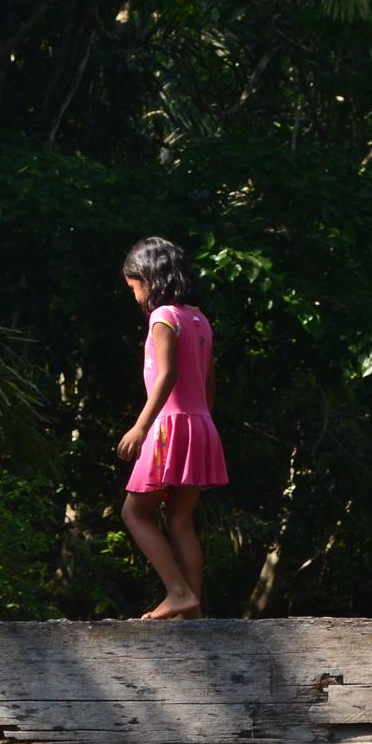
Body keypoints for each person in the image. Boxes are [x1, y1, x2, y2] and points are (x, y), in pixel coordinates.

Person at [117, 238, 228, 620]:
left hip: (168, 426)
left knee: (134, 514)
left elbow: (167, 375)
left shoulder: (163, 316)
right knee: (180, 520)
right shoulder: (199, 319)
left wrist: (140, 427)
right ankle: (192, 610)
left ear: (147, 279)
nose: (135, 296)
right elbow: (209, 383)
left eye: (133, 287)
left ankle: (179, 593)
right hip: (201, 425)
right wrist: (199, 426)